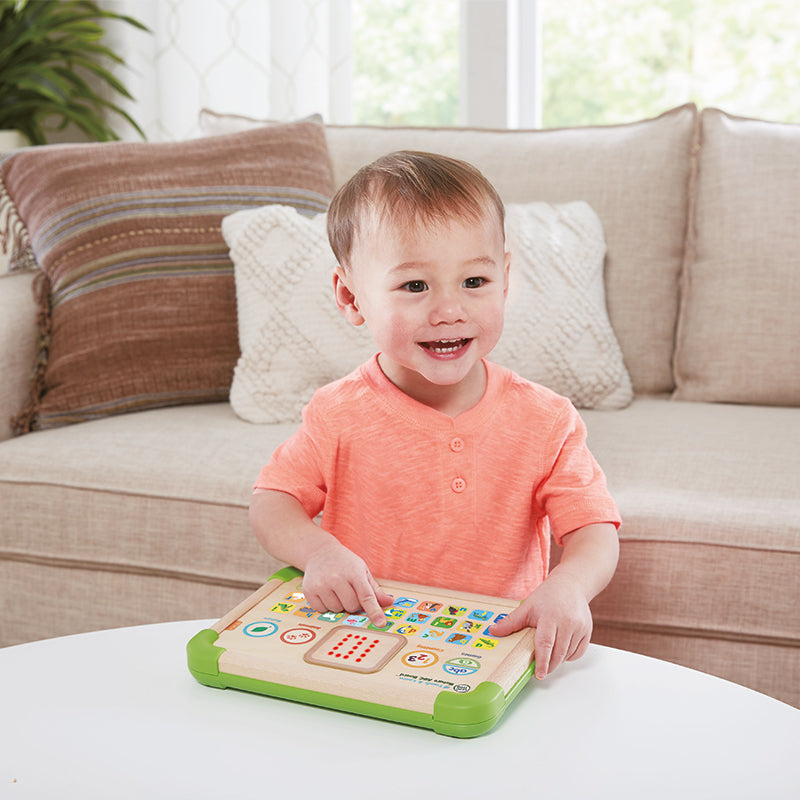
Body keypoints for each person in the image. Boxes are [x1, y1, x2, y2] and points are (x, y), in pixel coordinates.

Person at [249, 151, 621, 680]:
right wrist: (319, 553)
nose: (449, 311)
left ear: (505, 279)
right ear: (350, 297)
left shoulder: (547, 419)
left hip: (492, 657)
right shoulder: (337, 412)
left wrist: (569, 586)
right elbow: (272, 502)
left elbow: (593, 529)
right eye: (415, 286)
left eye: (474, 282)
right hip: (363, 646)